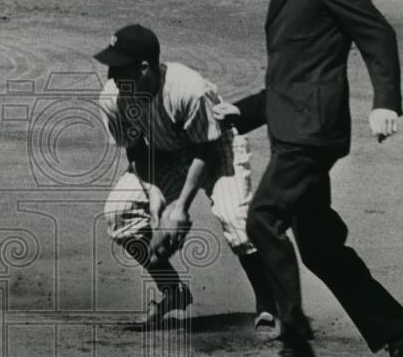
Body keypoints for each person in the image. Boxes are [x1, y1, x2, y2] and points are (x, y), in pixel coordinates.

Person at [218, 0, 403, 357]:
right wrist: (240, 115)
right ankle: (398, 332)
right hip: (295, 130)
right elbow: (292, 79)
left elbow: (377, 32)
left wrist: (385, 102)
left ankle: (297, 346)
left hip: (313, 135)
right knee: (321, 250)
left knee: (262, 219)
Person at [95, 24, 277, 331]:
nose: (111, 76)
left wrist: (179, 206)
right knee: (120, 214)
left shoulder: (189, 89)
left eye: (118, 68)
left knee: (235, 219)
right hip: (165, 154)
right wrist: (155, 195)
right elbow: (138, 149)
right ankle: (173, 291)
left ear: (144, 68)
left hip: (216, 148)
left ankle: (269, 303)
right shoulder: (114, 98)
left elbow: (204, 147)